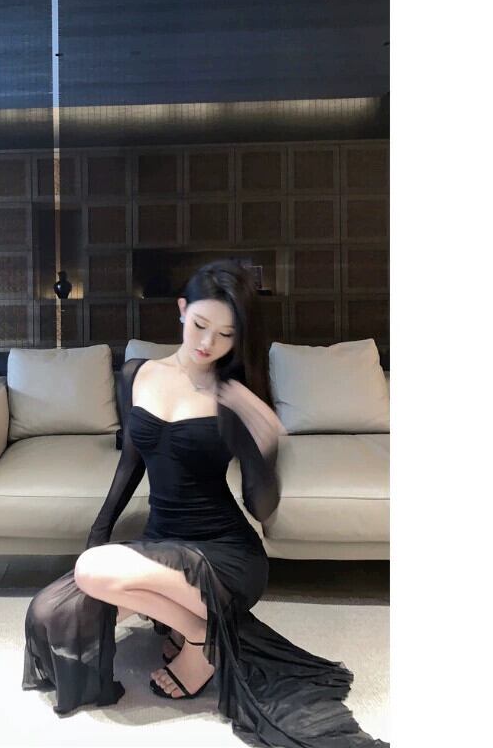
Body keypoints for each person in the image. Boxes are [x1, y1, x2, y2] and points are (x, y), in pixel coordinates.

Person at [22, 260, 388, 748]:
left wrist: (266, 451)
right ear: (181, 310)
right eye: (199, 325)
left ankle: (198, 643)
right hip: (162, 546)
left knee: (93, 573)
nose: (208, 343)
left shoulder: (234, 397)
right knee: (51, 613)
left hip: (225, 558)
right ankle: (204, 629)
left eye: (225, 335)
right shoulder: (137, 374)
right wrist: (98, 534)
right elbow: (131, 462)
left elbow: (261, 507)